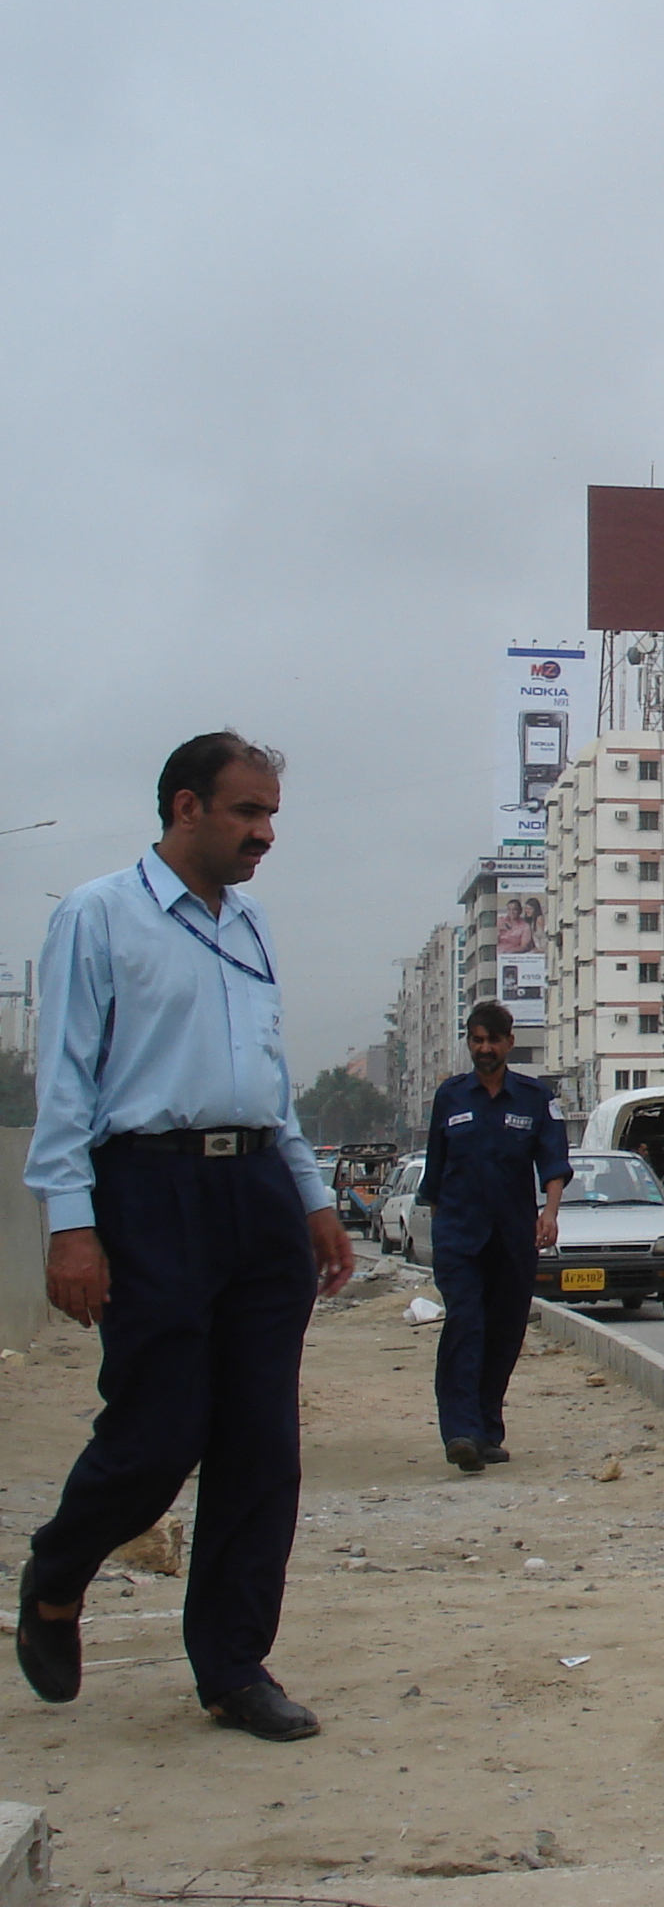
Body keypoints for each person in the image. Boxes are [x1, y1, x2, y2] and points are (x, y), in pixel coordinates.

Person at [17, 733, 356, 1740]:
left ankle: (233, 1666)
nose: (264, 835)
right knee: (156, 1432)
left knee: (262, 1443)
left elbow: (271, 1086)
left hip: (254, 1190)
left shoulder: (249, 928)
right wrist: (71, 1227)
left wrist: (312, 1199)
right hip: (149, 1191)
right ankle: (57, 1571)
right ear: (184, 808)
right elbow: (65, 1085)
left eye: (272, 816)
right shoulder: (98, 917)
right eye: (248, 813)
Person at [419, 1001, 570, 1475]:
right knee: (466, 1324)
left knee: (504, 1333)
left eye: (492, 1040)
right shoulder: (450, 1096)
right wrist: (442, 1233)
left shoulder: (533, 1097)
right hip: (460, 1238)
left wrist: (549, 1213)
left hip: (512, 1237)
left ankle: (486, 1430)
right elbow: (435, 1173)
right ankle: (460, 1432)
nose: (483, 1049)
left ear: (509, 1043)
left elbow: (552, 1159)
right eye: (476, 1040)